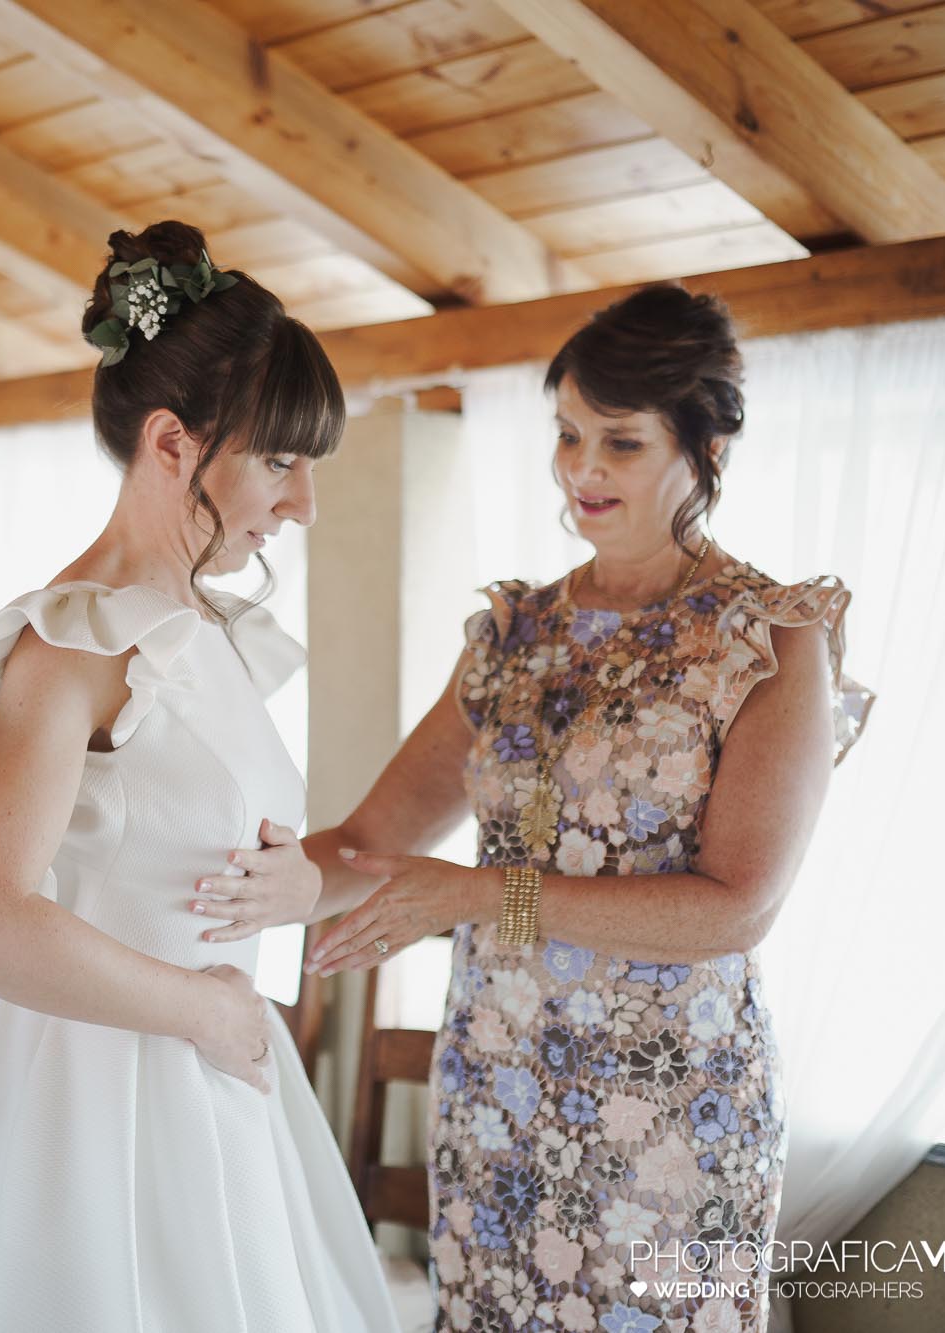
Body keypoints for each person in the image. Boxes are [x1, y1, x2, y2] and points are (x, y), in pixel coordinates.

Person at [202, 286, 873, 1332]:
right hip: (498, 1104)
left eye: (620, 442)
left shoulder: (768, 640)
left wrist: (476, 896)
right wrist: (237, 885)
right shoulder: (513, 638)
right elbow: (371, 844)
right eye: (566, 435)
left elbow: (734, 908)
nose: (581, 469)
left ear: (705, 451)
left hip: (671, 1119)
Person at [0, 222, 400, 1332]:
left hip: (205, 1081)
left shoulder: (195, 628)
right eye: (280, 463)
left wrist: (294, 889)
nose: (301, 506)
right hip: (78, 1101)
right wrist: (204, 1010)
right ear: (171, 443)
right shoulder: (72, 644)